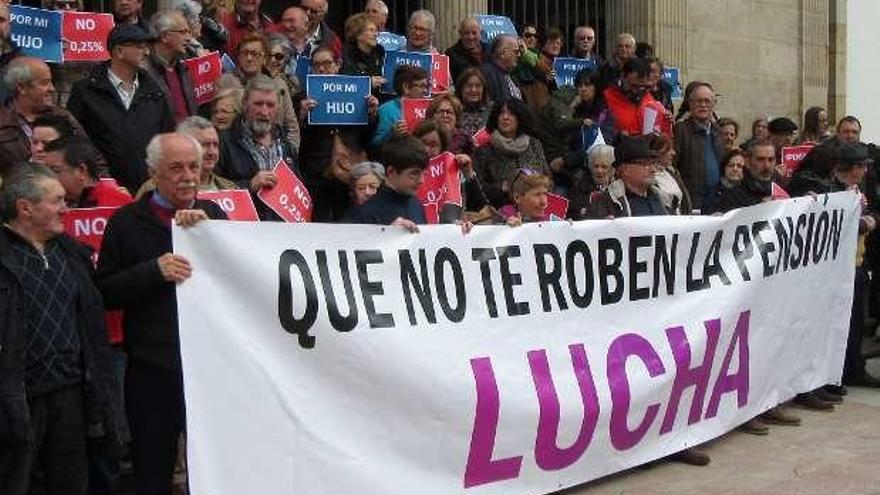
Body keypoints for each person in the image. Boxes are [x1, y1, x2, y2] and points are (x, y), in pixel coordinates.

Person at [96, 133, 226, 495]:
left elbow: (237, 278)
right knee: (152, 470)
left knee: (212, 469)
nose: (188, 176)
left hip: (208, 368)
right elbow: (104, 292)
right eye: (176, 168)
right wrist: (152, 272)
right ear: (154, 173)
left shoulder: (213, 215)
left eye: (194, 167)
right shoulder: (126, 222)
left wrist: (209, 236)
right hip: (153, 370)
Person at [0, 163, 122, 495]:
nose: (65, 209)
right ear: (25, 207)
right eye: (56, 201)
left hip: (72, 394)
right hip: (17, 401)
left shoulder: (72, 255)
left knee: (71, 484)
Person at [68, 24, 175, 195]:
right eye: (140, 47)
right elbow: (76, 144)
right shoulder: (85, 92)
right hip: (103, 190)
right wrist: (103, 182)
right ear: (119, 51)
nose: (147, 53)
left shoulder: (155, 91)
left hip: (150, 190)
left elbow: (168, 137)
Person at [298, 45, 378, 222]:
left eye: (326, 63)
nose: (321, 69)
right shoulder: (303, 97)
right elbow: (297, 141)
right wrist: (302, 117)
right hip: (317, 174)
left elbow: (367, 138)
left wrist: (371, 114)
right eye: (316, 65)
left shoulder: (356, 92)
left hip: (348, 172)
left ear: (338, 64)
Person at [216, 75, 298, 220]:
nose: (264, 112)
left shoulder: (286, 146)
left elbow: (298, 194)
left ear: (278, 109)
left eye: (270, 105)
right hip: (244, 232)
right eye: (258, 104)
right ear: (245, 104)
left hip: (282, 234)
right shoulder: (223, 142)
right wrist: (249, 186)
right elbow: (212, 190)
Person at [0, 57, 87, 176]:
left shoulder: (62, 116)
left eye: (51, 82)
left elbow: (91, 156)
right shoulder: (3, 121)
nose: (52, 89)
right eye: (45, 83)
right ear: (21, 88)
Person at [473, 98, 549, 207]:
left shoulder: (534, 144)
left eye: (511, 114)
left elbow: (547, 177)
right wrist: (502, 187)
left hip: (535, 207)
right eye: (501, 113)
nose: (505, 117)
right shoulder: (484, 149)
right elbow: (478, 187)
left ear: (520, 117)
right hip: (500, 209)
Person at [231, 33, 300, 153]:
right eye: (245, 53)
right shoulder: (227, 85)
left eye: (255, 54)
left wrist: (287, 156)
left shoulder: (279, 86)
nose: (249, 58)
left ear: (264, 59)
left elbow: (292, 128)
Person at [136, 116, 236, 198]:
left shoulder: (231, 188)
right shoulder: (154, 188)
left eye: (215, 145)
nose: (212, 152)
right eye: (204, 145)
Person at [351, 133, 428, 228]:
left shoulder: (417, 206)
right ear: (391, 171)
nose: (421, 180)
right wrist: (388, 235)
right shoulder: (366, 214)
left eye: (423, 173)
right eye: (414, 173)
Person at [672, 81, 724, 211]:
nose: (703, 105)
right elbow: (672, 166)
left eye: (707, 101)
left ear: (714, 104)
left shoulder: (719, 132)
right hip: (691, 203)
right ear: (690, 103)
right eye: (699, 101)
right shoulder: (680, 130)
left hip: (717, 203)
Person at [43, 138, 132, 207]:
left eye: (55, 170)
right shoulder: (45, 205)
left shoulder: (118, 204)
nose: (46, 177)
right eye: (44, 170)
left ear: (81, 170)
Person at [145, 10, 199, 123]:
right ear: (164, 36)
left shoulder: (185, 65)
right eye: (183, 32)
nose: (189, 38)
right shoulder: (143, 70)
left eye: (189, 32)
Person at [371, 64, 429, 148]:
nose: (425, 91)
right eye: (422, 86)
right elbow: (375, 143)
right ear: (406, 87)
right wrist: (392, 133)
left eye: (426, 87)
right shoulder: (387, 110)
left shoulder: (428, 109)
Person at [603, 56, 662, 138]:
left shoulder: (649, 100)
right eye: (633, 86)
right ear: (623, 76)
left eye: (641, 87)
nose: (636, 91)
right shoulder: (606, 97)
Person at [340, 13, 386, 95]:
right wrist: (367, 84)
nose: (376, 34)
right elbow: (345, 83)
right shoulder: (345, 55)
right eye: (371, 30)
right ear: (358, 34)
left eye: (376, 31)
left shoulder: (380, 53)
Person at [569, 143, 615, 220]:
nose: (599, 171)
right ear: (590, 167)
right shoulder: (579, 188)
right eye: (596, 166)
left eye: (604, 167)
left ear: (612, 169)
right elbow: (572, 213)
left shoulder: (620, 189)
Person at [480, 34, 523, 103]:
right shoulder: (487, 75)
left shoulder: (511, 77)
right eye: (516, 51)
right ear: (503, 53)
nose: (519, 55)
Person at [446, 17, 485, 84]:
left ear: (480, 33)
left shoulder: (490, 50)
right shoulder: (450, 55)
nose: (471, 37)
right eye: (466, 33)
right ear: (460, 34)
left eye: (474, 33)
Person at [455, 67, 492, 136]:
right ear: (461, 89)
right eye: (469, 86)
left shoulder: (492, 112)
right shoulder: (453, 112)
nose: (474, 90)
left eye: (478, 86)